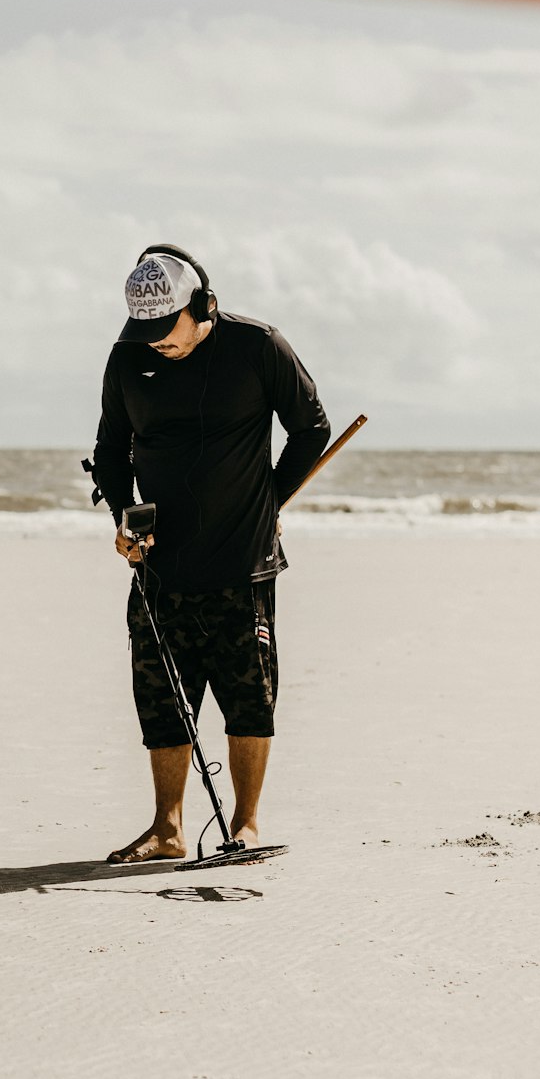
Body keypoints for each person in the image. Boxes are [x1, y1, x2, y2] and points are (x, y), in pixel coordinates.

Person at [93, 243, 330, 864]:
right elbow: (112, 452)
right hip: (160, 564)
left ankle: (245, 823)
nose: (154, 343)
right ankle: (166, 827)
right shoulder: (127, 361)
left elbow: (312, 427)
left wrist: (269, 498)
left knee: (248, 692)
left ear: (205, 307)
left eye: (165, 329)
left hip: (241, 562)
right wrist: (124, 516)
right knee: (160, 697)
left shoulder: (258, 347)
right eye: (141, 331)